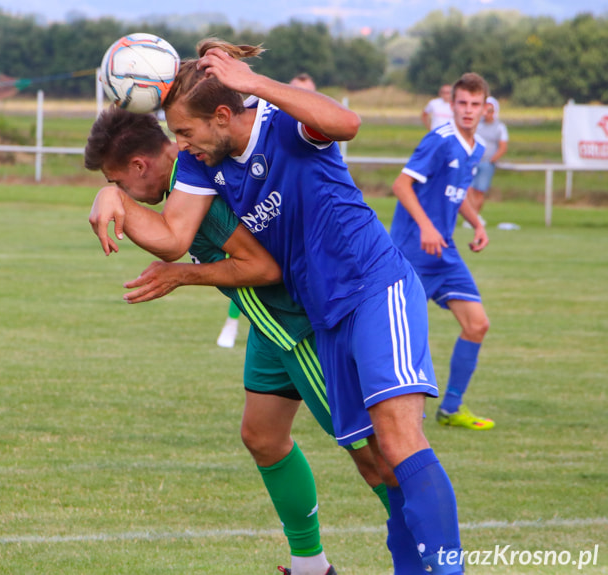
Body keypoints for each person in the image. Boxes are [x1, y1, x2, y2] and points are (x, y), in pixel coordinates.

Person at [89, 40, 464, 575]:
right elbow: (173, 237)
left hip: (373, 284)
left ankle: (443, 568)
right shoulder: (204, 166)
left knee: (396, 445)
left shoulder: (281, 123)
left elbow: (347, 123)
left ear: (223, 115)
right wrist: (114, 198)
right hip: (324, 313)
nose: (181, 147)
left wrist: (256, 83)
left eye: (187, 134)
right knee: (363, 457)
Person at [85, 106, 390, 575]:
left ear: (140, 166)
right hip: (267, 327)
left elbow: (262, 266)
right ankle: (310, 565)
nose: (124, 192)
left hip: (298, 328)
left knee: (372, 455)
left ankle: (428, 553)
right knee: (264, 438)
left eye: (120, 180)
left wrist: (179, 273)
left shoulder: (197, 194)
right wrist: (112, 193)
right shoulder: (187, 179)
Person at [390, 73, 495, 431]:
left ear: (486, 108)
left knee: (477, 324)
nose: (468, 111)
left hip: (444, 254)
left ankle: (450, 409)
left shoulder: (476, 147)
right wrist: (427, 226)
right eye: (462, 103)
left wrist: (477, 223)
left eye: (474, 104)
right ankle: (373, 402)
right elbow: (401, 185)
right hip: (412, 254)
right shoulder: (439, 140)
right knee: (399, 337)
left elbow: (458, 192)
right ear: (452, 106)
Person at [215, 72, 317, 349]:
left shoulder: (304, 133)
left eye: (307, 92)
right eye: (295, 90)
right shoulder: (266, 128)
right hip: (265, 232)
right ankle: (233, 323)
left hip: (306, 251)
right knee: (251, 269)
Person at [466, 96, 508, 219]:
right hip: (473, 161)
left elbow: (503, 146)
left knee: (480, 191)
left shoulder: (500, 127)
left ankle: (474, 216)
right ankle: (471, 216)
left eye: (490, 111)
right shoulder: (477, 125)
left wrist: (492, 159)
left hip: (487, 163)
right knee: (469, 189)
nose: (487, 114)